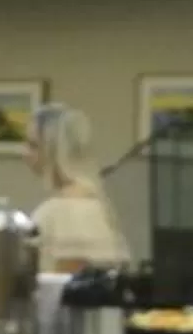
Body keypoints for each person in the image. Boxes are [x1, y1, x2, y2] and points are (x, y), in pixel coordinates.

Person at [23, 104, 132, 271]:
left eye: (33, 145)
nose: (25, 153)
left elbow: (71, 275)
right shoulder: (98, 203)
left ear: (54, 149)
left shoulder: (63, 211)